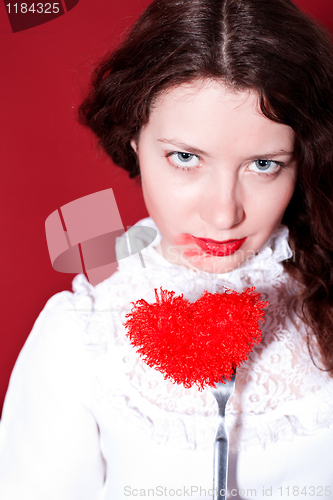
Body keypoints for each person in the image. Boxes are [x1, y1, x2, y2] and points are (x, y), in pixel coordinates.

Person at [1, 0, 333, 498]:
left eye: (264, 165)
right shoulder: (80, 336)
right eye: (185, 157)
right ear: (135, 140)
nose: (224, 216)